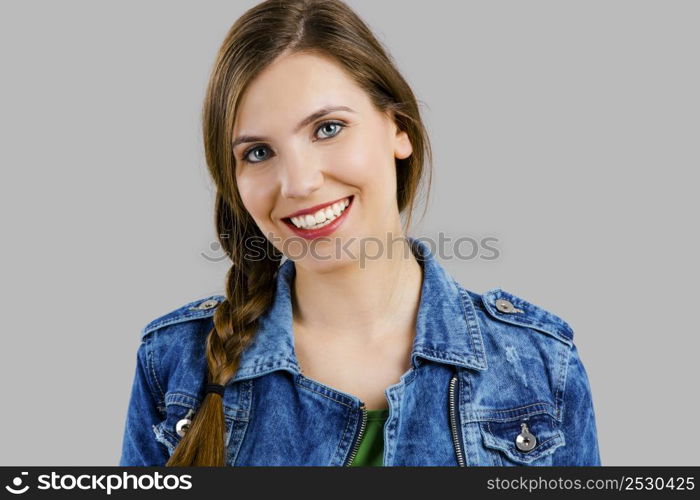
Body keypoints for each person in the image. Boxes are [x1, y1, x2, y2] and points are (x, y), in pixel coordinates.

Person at [119, 0, 601, 467]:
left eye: (328, 128)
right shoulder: (174, 363)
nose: (300, 182)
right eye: (259, 153)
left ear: (399, 128)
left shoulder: (539, 366)